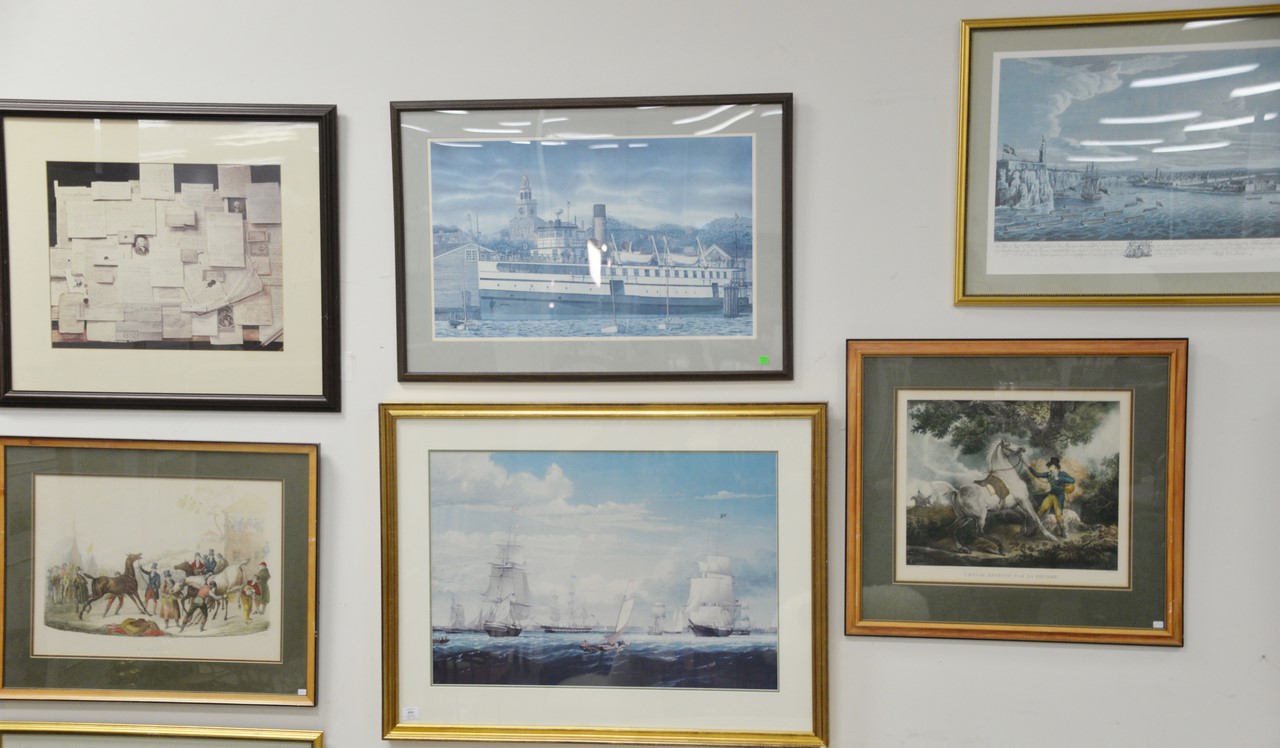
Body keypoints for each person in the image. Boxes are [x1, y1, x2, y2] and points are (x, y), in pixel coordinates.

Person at [1030, 456, 1075, 537]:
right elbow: (1037, 474)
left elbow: (1072, 480)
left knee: (1058, 515)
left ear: (1055, 467)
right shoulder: (1049, 474)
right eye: (1049, 466)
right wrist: (1029, 467)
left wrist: (1059, 478)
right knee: (1041, 511)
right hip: (1051, 495)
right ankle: (1034, 530)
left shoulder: (1062, 474)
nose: (1049, 468)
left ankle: (1062, 532)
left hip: (1059, 496)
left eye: (1050, 466)